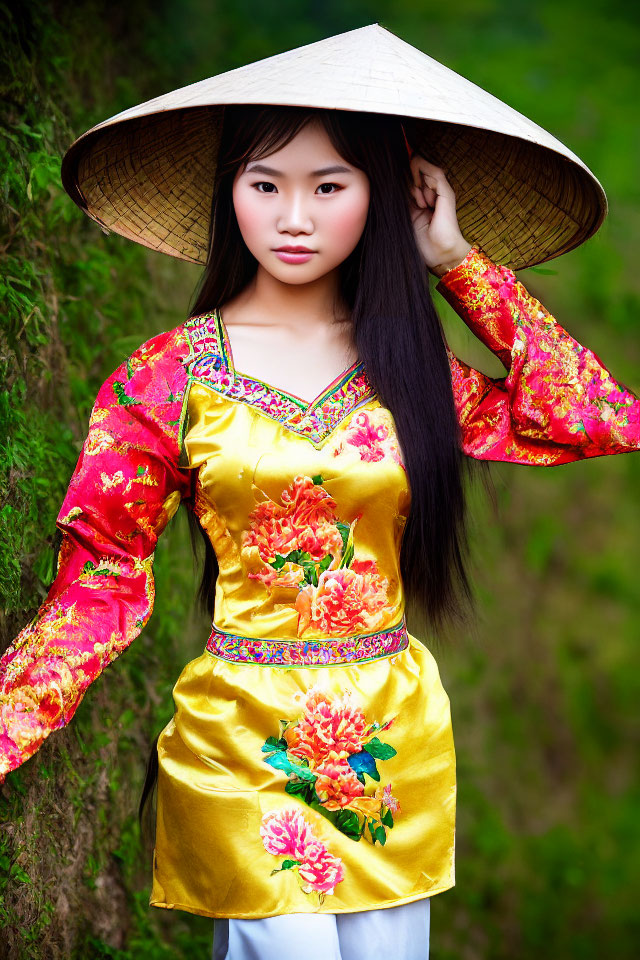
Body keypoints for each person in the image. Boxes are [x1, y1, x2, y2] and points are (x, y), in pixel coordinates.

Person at [1, 26, 639, 960]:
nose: (293, 217)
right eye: (266, 184)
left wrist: (456, 262)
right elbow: (101, 580)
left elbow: (598, 417)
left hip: (386, 749)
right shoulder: (167, 377)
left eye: (328, 186)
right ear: (231, 195)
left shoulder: (413, 370)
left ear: (388, 196)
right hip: (239, 739)